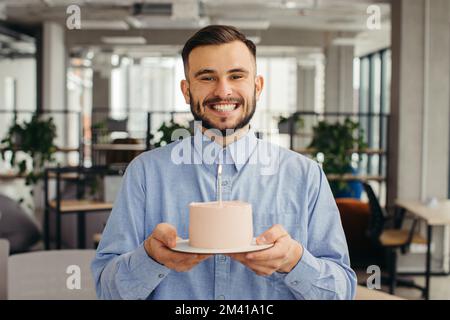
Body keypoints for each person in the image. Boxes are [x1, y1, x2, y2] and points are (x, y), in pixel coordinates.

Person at [91, 25, 357, 300]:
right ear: (186, 90)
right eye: (207, 77)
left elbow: (341, 293)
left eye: (237, 75)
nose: (223, 90)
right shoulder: (145, 173)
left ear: (257, 86)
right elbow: (108, 292)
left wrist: (294, 261)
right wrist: (150, 259)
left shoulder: (305, 175)